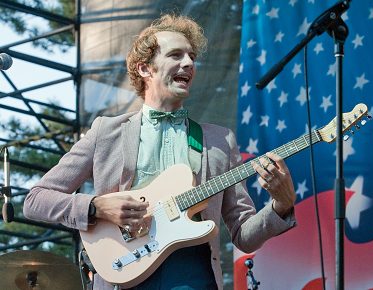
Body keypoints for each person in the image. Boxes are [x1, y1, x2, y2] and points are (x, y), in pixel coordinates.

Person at [23, 13, 296, 290]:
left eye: (191, 57)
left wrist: (280, 206)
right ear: (145, 69)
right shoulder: (106, 131)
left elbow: (243, 234)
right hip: (122, 272)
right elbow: (36, 200)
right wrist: (96, 207)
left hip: (192, 275)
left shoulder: (221, 140)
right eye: (176, 55)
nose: (189, 63)